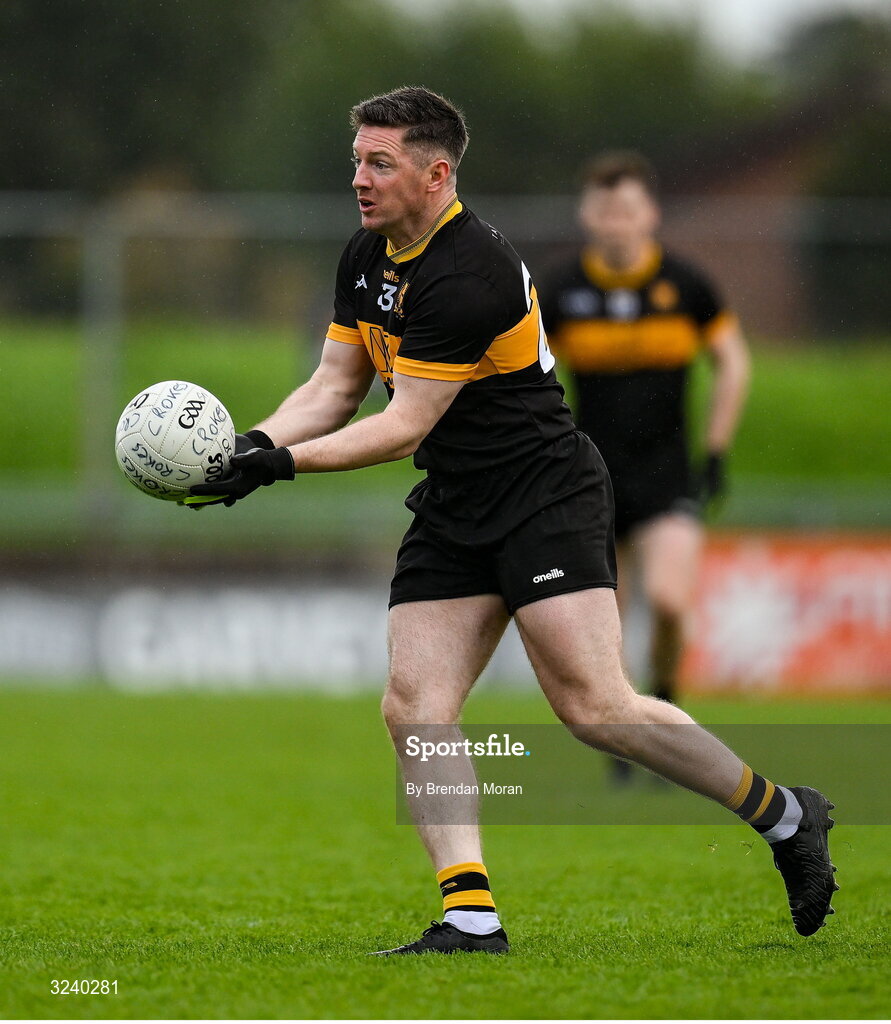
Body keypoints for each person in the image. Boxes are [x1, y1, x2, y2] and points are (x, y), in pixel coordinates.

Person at [187, 87, 837, 953]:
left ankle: (786, 815)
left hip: (543, 494)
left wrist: (277, 466)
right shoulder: (366, 254)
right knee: (414, 704)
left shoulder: (470, 272)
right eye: (356, 159)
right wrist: (249, 443)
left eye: (379, 162)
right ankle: (469, 916)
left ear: (436, 172)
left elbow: (402, 424)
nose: (359, 178)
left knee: (594, 708)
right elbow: (335, 388)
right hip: (456, 503)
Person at [539, 151, 751, 725]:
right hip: (592, 478)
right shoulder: (561, 291)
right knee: (609, 621)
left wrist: (716, 448)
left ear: (650, 213)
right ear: (587, 215)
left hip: (666, 474)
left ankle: (667, 698)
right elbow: (527, 377)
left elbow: (733, 362)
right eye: (605, 209)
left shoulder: (685, 285)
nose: (616, 221)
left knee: (668, 601)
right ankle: (631, 730)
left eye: (627, 209)